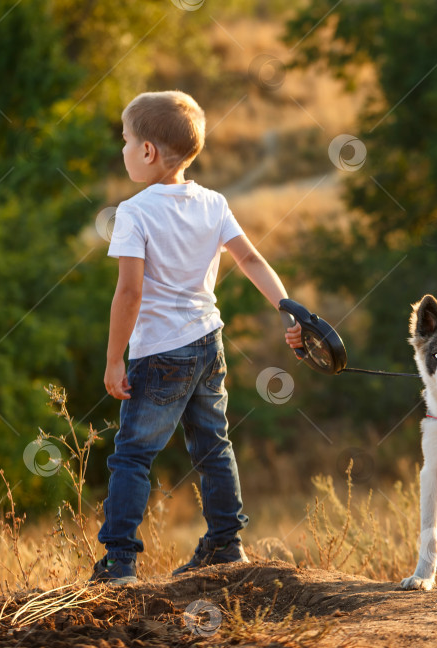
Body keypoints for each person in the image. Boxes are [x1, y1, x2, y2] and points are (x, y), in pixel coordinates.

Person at [90, 90, 302, 585]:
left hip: (159, 354)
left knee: (132, 455)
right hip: (209, 345)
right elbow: (250, 259)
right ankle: (227, 544)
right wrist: (287, 308)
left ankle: (119, 562)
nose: (122, 150)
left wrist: (113, 359)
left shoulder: (135, 212)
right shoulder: (214, 203)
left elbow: (130, 292)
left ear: (147, 151)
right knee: (213, 444)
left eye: (125, 140)